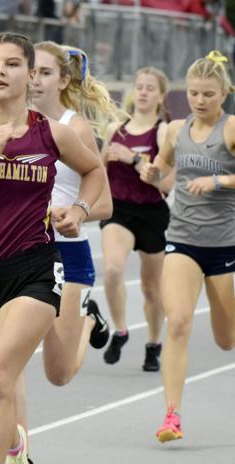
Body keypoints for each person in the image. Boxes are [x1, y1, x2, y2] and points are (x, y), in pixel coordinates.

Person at [0, 32, 105, 464]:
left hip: (34, 269)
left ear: (28, 74)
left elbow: (95, 171)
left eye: (13, 64)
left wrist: (77, 210)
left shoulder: (52, 132)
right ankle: (15, 441)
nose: (0, 71)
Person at [0, 41, 118, 464]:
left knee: (59, 373)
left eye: (47, 73)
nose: (37, 80)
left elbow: (103, 200)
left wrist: (77, 212)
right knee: (8, 361)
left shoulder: (73, 127)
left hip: (66, 253)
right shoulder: (8, 119)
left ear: (63, 80)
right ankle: (18, 458)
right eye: (35, 72)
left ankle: (86, 319)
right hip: (18, 251)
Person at [140, 50, 235, 443]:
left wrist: (218, 182)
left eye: (208, 94)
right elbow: (160, 165)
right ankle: (171, 415)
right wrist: (152, 171)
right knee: (177, 322)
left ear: (224, 94)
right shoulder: (176, 129)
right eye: (194, 93)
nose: (199, 100)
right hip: (182, 239)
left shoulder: (230, 130)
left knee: (225, 339)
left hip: (224, 244)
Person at [100, 66, 174, 371]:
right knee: (114, 269)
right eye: (139, 86)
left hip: (151, 211)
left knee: (151, 288)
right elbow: (98, 173)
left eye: (149, 87)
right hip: (118, 209)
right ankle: (120, 330)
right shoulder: (114, 129)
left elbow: (167, 185)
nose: (142, 92)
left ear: (160, 95)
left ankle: (154, 343)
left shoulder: (163, 131)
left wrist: (133, 159)